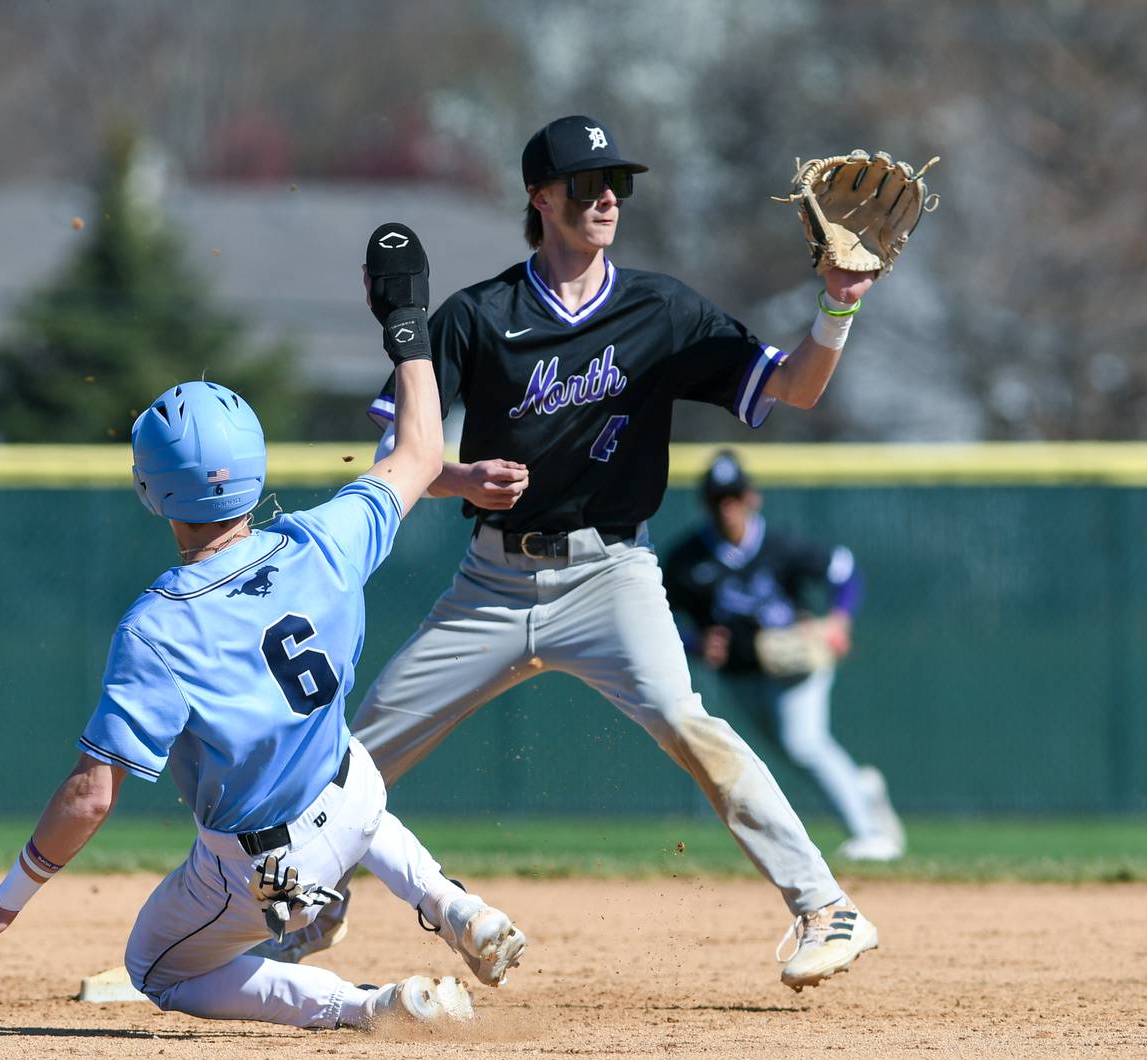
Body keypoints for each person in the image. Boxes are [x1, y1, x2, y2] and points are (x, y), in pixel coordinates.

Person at [280, 115, 881, 990]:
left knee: (687, 722)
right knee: (356, 753)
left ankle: (827, 907)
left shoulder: (662, 310)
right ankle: (306, 908)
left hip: (610, 575)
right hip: (491, 581)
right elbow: (392, 461)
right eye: (587, 183)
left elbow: (793, 387)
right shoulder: (478, 317)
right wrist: (458, 478)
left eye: (619, 184)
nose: (607, 197)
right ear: (540, 197)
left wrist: (837, 303)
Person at [0, 223, 526, 1031]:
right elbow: (417, 449)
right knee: (348, 777)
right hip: (355, 798)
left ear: (153, 491)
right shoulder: (322, 540)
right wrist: (406, 319)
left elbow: (91, 795)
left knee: (156, 968)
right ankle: (454, 905)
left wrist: (7, 901)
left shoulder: (159, 626)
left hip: (266, 863)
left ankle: (368, 1006)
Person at [664, 450, 906, 862]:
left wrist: (839, 621)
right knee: (787, 751)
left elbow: (844, 571)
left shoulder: (781, 545)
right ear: (705, 503)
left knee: (804, 743)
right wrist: (695, 643)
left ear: (751, 497)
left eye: (734, 496)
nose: (728, 507)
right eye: (718, 498)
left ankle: (870, 835)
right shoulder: (688, 560)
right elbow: (654, 610)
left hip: (796, 666)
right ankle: (859, 788)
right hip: (741, 674)